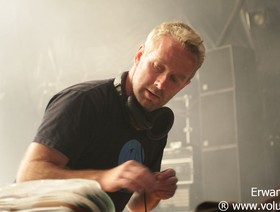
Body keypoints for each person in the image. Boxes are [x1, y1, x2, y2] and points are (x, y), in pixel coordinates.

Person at [16, 21, 205, 211]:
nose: (161, 83)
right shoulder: (84, 101)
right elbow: (28, 175)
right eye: (157, 66)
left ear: (184, 86)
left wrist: (154, 193)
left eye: (174, 79)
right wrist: (103, 178)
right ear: (139, 56)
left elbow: (135, 208)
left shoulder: (154, 127)